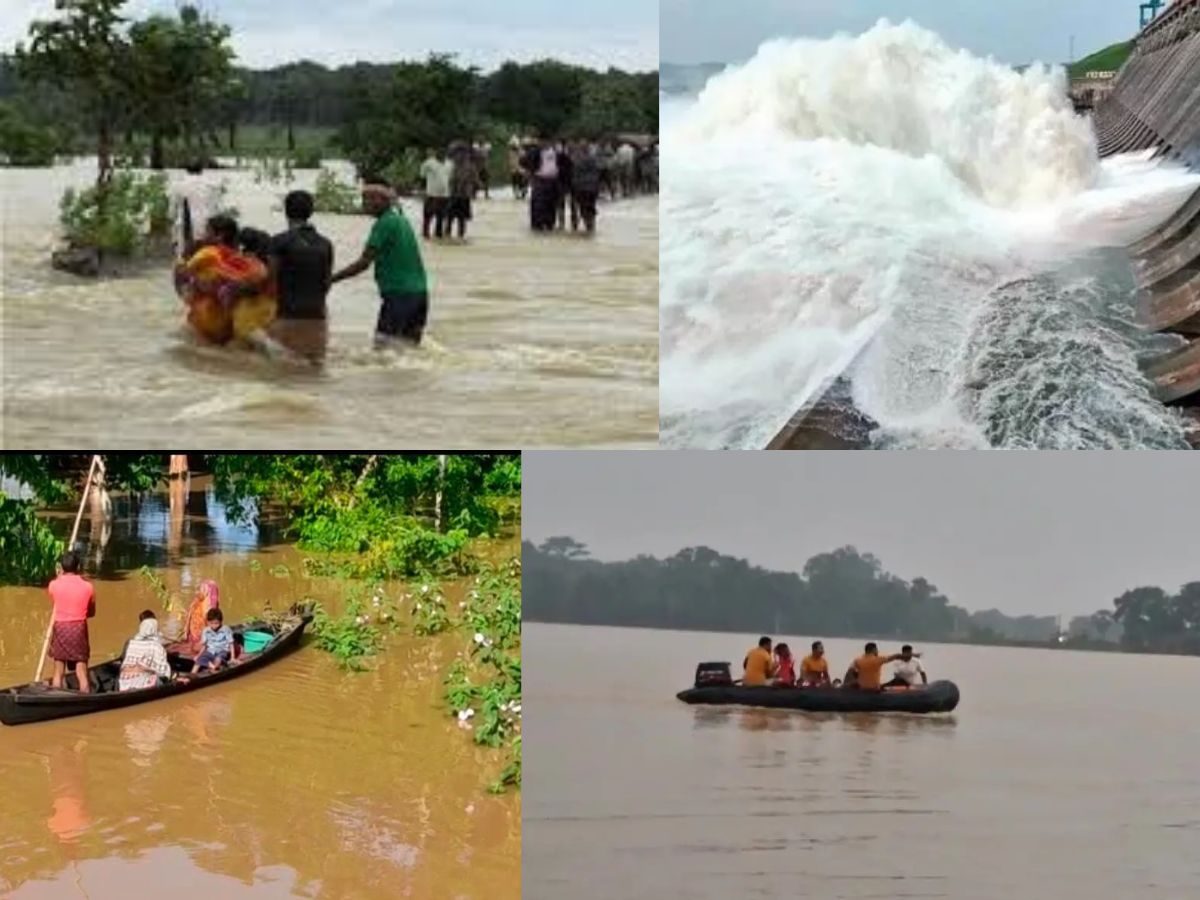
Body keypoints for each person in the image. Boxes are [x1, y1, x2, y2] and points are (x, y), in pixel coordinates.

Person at [330, 185, 430, 348]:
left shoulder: (383, 224)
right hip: (420, 294)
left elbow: (363, 263)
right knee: (410, 349)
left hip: (398, 295)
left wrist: (331, 279)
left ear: (382, 201)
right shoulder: (401, 221)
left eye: (367, 199)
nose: (363, 204)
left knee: (383, 349)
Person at [175, 215, 268, 346]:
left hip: (203, 326)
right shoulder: (243, 260)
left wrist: (182, 258)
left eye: (208, 231)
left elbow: (182, 283)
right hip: (230, 329)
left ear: (220, 236)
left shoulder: (208, 254)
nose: (204, 235)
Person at [267, 190, 335, 365]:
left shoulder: (278, 241)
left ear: (286, 211)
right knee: (315, 371)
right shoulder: (325, 244)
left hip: (288, 316)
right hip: (317, 318)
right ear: (311, 212)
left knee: (285, 374)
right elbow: (326, 283)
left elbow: (270, 280)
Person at [47, 551, 95, 692]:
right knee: (81, 670)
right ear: (78, 566)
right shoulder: (88, 587)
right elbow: (91, 613)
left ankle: (56, 697)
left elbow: (56, 600)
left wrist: (59, 576)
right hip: (78, 628)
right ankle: (85, 699)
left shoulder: (53, 585)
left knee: (58, 670)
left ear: (61, 567)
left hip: (61, 627)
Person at [169, 159, 221, 259]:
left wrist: (172, 224)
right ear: (202, 170)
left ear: (186, 170)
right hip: (208, 225)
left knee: (185, 256)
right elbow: (216, 207)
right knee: (205, 256)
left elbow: (172, 209)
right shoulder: (211, 185)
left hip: (186, 227)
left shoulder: (178, 185)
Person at [119, 612, 174, 691]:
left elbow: (122, 660)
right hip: (143, 684)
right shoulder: (156, 646)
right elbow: (164, 672)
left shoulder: (130, 643)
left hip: (123, 683)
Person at [846, 642, 919, 691]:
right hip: (874, 689)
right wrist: (913, 655)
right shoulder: (878, 660)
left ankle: (844, 687)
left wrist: (849, 683)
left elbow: (849, 672)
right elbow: (896, 656)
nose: (877, 651)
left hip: (862, 688)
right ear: (874, 650)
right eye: (876, 650)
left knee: (854, 672)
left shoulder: (857, 660)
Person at [527, 137, 560, 232]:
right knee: (538, 203)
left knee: (551, 203)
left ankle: (549, 224)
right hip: (539, 179)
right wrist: (531, 173)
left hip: (553, 180)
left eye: (545, 141)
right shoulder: (534, 152)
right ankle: (537, 224)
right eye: (541, 141)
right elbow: (524, 161)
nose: (542, 143)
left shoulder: (556, 152)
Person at [447, 147, 479, 240]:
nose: (458, 156)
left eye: (461, 154)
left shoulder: (470, 167)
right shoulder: (453, 166)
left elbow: (476, 181)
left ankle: (460, 234)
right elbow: (449, 180)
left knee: (461, 217)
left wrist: (472, 188)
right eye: (457, 154)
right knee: (451, 216)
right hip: (454, 194)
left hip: (464, 195)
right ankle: (449, 233)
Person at [419, 148, 451, 239]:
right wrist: (422, 190)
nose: (442, 155)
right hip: (431, 194)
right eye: (440, 153)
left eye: (444, 153)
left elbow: (450, 178)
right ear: (436, 154)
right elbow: (422, 176)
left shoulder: (449, 164)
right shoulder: (428, 163)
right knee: (428, 216)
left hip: (445, 195)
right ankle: (426, 234)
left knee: (441, 217)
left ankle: (438, 235)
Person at [571, 142, 602, 233]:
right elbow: (597, 173)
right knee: (591, 208)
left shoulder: (577, 160)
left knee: (584, 209)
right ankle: (591, 228)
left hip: (582, 188)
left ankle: (588, 227)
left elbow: (575, 176)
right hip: (592, 188)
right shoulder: (593, 159)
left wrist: (574, 187)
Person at [192, 608, 234, 673]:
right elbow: (204, 646)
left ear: (221, 622)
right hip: (210, 651)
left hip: (222, 650)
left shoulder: (226, 629)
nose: (214, 626)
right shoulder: (206, 631)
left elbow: (231, 644)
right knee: (198, 661)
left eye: (216, 623)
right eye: (211, 623)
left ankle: (213, 667)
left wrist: (232, 658)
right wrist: (198, 655)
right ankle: (192, 675)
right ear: (208, 622)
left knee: (218, 659)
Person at [184, 579, 221, 645]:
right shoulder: (209, 604)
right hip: (201, 638)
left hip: (193, 637)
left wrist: (186, 632)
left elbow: (188, 617)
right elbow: (211, 623)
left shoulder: (196, 601)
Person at [555, 139, 575, 231]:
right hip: (563, 181)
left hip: (571, 182)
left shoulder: (573, 156)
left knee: (571, 203)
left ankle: (572, 222)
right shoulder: (559, 156)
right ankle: (563, 223)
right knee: (562, 203)